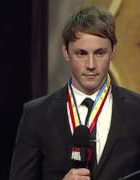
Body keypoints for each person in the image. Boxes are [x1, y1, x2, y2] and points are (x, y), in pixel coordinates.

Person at [9, 6, 140, 180]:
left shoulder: (137, 110)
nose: (91, 64)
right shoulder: (36, 114)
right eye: (81, 53)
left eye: (100, 53)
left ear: (113, 51)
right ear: (65, 52)